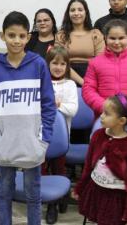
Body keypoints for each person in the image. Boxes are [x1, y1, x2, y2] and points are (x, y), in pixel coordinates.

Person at [0, 11, 56, 225]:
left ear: (28, 37)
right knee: (4, 193)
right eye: (11, 35)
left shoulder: (39, 64)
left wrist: (44, 140)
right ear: (2, 35)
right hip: (4, 145)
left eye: (21, 36)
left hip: (33, 144)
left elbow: (48, 105)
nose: (16, 40)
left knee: (33, 195)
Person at [73, 93, 127, 225]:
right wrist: (80, 188)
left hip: (116, 199)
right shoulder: (98, 135)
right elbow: (88, 165)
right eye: (103, 112)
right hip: (97, 192)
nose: (101, 116)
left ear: (121, 121)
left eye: (107, 114)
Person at [43, 46, 78, 224]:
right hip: (40, 136)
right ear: (48, 64)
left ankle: (56, 202)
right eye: (54, 63)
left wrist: (56, 106)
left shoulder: (70, 84)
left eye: (62, 64)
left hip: (60, 138)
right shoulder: (41, 82)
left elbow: (72, 109)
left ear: (67, 66)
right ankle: (42, 199)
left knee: (59, 169)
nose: (58, 67)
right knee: (41, 170)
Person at [55, 0, 104, 86]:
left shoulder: (96, 34)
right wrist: (82, 82)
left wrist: (88, 83)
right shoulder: (61, 35)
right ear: (68, 14)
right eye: (72, 10)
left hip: (92, 77)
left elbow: (100, 62)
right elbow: (59, 61)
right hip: (66, 77)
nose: (76, 13)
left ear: (86, 12)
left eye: (80, 10)